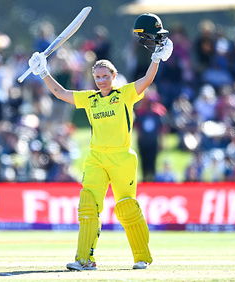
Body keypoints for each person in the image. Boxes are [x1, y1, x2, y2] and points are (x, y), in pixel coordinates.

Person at [26, 13, 173, 271]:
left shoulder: (125, 94)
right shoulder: (91, 99)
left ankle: (142, 257)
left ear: (114, 76)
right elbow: (61, 93)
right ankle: (85, 259)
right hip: (96, 157)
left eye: (105, 76)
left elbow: (147, 80)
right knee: (87, 204)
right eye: (98, 77)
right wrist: (43, 72)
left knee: (127, 207)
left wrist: (156, 59)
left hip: (121, 158)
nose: (102, 81)